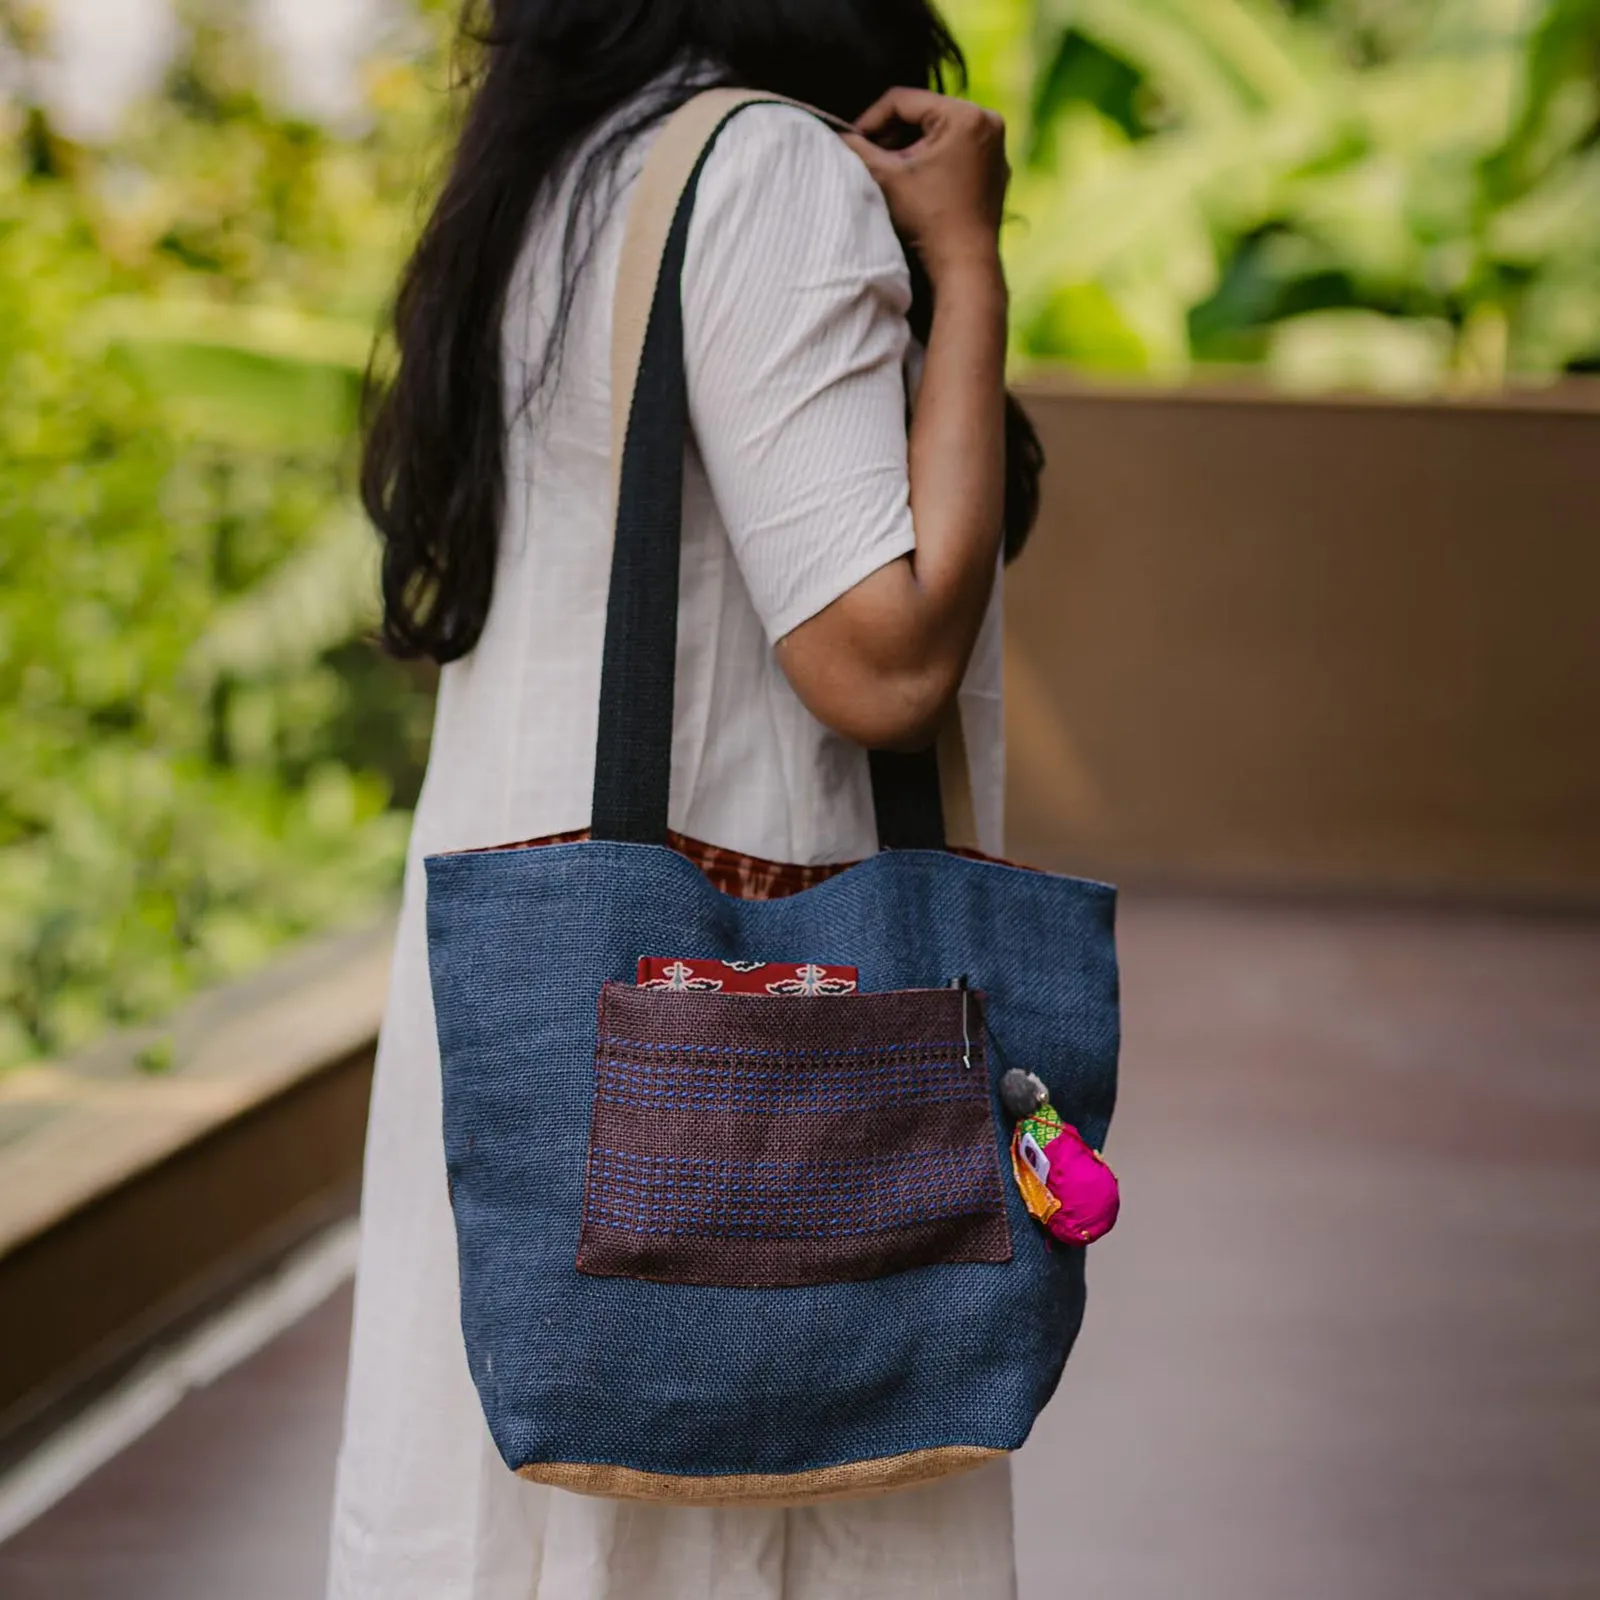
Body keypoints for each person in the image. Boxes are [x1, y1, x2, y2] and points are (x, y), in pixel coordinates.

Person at [328, 4, 1039, 1596]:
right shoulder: (769, 170)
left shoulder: (562, 170)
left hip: (554, 1021)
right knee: (749, 1511)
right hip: (742, 1063)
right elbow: (884, 663)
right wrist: (972, 267)